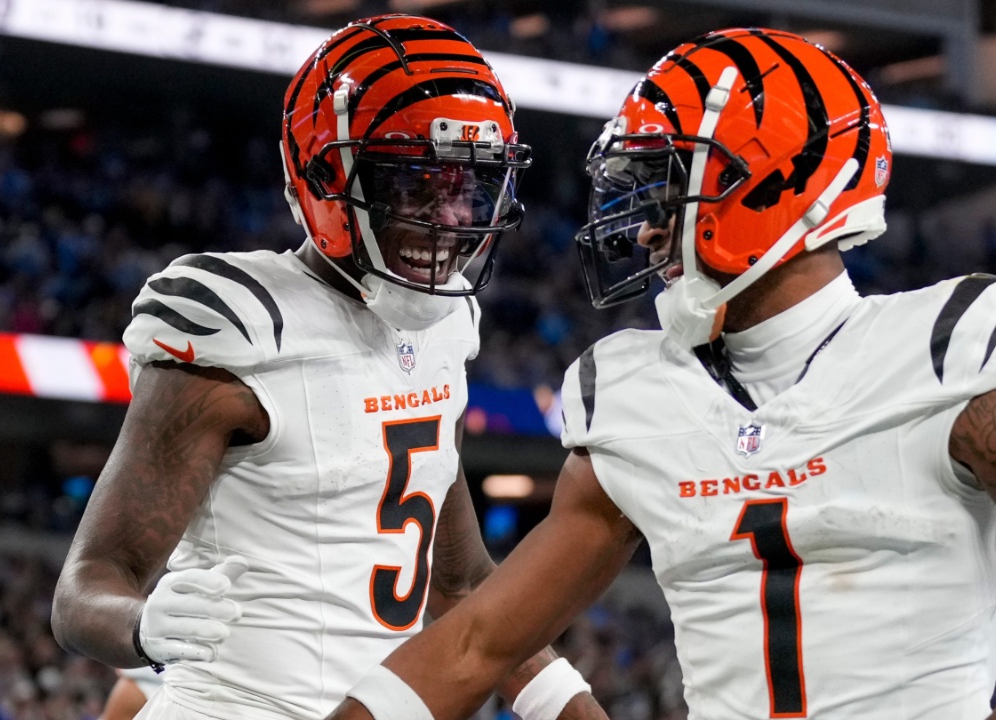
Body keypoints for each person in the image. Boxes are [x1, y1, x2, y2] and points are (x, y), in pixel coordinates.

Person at [325, 28, 996, 720]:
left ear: (773, 185)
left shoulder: (950, 347)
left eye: (666, 193)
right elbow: (479, 641)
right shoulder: (629, 392)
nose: (648, 232)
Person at [52, 14, 605, 720]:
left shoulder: (448, 324)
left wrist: (569, 705)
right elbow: (86, 586)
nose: (447, 219)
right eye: (414, 187)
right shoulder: (243, 324)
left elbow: (461, 581)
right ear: (328, 175)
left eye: (468, 187)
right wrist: (141, 628)